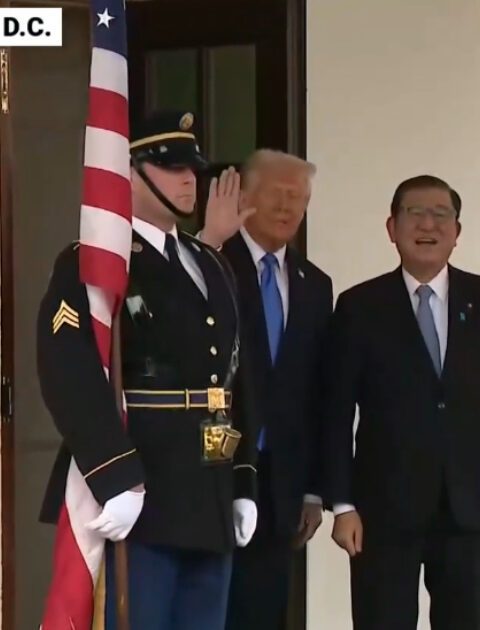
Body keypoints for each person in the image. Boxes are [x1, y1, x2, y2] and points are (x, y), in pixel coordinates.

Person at [36, 111, 258, 630]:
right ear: (128, 173)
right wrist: (113, 473)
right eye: (171, 167)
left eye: (192, 167)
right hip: (143, 489)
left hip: (209, 492)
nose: (189, 179)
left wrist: (244, 480)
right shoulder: (96, 260)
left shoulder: (210, 261)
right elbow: (69, 373)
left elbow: (235, 377)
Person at [323, 174, 480, 630]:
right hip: (382, 512)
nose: (428, 224)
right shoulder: (359, 306)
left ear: (457, 231)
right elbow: (335, 412)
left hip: (469, 510)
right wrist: (342, 505)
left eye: (441, 214)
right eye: (415, 213)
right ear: (392, 228)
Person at [201, 149, 333, 629]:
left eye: (298, 199)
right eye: (277, 194)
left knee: (263, 610)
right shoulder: (211, 261)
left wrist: (315, 490)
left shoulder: (315, 284)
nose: (287, 207)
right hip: (215, 466)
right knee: (209, 606)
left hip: (282, 481)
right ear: (244, 197)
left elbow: (319, 392)